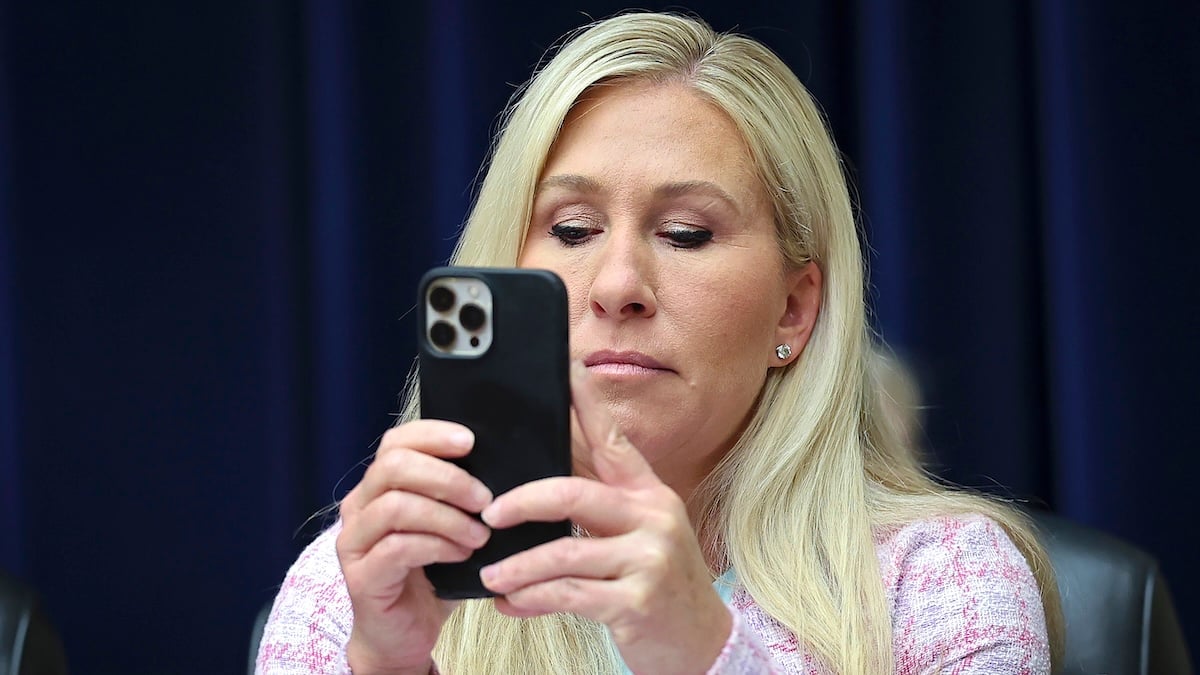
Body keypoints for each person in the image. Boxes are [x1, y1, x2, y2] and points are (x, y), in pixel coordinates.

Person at [256, 12, 1062, 674]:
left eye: (685, 233)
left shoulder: (946, 581)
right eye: (571, 228)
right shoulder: (348, 587)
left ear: (793, 309)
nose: (616, 284)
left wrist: (702, 651)